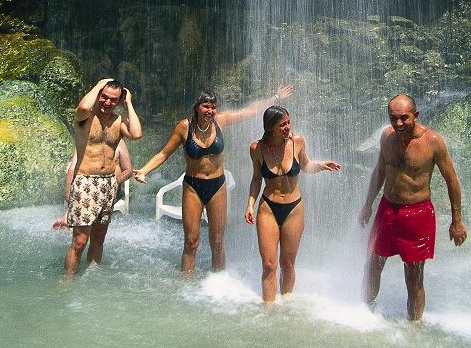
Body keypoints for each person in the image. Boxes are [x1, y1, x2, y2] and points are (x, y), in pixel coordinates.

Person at [133, 84, 294, 273]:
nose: (210, 110)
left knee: (217, 242)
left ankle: (219, 282)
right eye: (206, 106)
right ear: (197, 107)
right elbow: (163, 153)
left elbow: (249, 111)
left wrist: (275, 97)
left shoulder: (221, 121)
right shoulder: (185, 127)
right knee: (191, 242)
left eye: (213, 106)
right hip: (193, 186)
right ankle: (185, 284)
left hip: (217, 185)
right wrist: (144, 170)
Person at [358, 93, 467, 320]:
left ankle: (414, 326)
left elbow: (452, 181)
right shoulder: (386, 137)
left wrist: (457, 220)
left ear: (415, 115)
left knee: (414, 276)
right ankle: (363, 314)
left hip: (417, 215)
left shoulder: (433, 141)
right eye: (393, 118)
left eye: (404, 118)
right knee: (373, 264)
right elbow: (380, 172)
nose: (398, 124)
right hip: (387, 211)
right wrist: (368, 204)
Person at [246, 105, 341, 303]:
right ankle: (268, 308)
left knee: (287, 263)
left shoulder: (297, 141)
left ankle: (286, 304)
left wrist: (322, 165)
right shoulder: (257, 148)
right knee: (269, 265)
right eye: (282, 124)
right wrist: (250, 204)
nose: (287, 127)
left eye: (288, 122)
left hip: (294, 209)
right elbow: (256, 179)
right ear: (270, 127)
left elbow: (305, 165)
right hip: (268, 208)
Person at [63, 77, 142, 275]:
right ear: (98, 95)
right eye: (104, 97)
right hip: (85, 182)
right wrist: (98, 85)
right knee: (79, 241)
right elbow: (82, 107)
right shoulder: (85, 118)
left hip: (108, 184)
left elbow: (136, 134)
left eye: (112, 99)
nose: (107, 102)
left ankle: (93, 278)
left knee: (99, 238)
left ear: (119, 101)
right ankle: (67, 283)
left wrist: (129, 103)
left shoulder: (118, 121)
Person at [52, 139, 132, 231]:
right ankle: (71, 218)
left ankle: (69, 219)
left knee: (95, 190)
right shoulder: (84, 139)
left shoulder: (118, 142)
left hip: (110, 188)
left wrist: (114, 182)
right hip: (86, 187)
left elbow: (128, 171)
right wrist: (68, 194)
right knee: (85, 186)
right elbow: (72, 169)